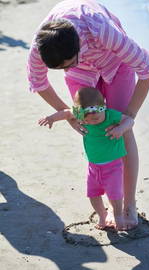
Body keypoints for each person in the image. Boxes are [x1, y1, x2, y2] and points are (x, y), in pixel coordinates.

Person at [27, 0, 149, 230]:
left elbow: (148, 69)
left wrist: (129, 116)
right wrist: (69, 114)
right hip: (81, 75)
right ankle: (107, 205)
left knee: (119, 131)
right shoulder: (40, 47)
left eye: (69, 62)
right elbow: (38, 82)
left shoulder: (101, 31)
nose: (66, 66)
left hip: (115, 63)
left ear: (78, 44)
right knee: (93, 129)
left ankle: (129, 204)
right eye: (62, 67)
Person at [39, 87, 134, 230]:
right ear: (81, 113)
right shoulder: (81, 113)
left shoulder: (110, 115)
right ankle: (102, 215)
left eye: (96, 118)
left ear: (103, 108)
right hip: (93, 167)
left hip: (113, 166)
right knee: (93, 195)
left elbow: (129, 120)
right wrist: (52, 118)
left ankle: (118, 217)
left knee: (115, 195)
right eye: (87, 119)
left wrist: (120, 129)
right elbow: (66, 113)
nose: (93, 121)